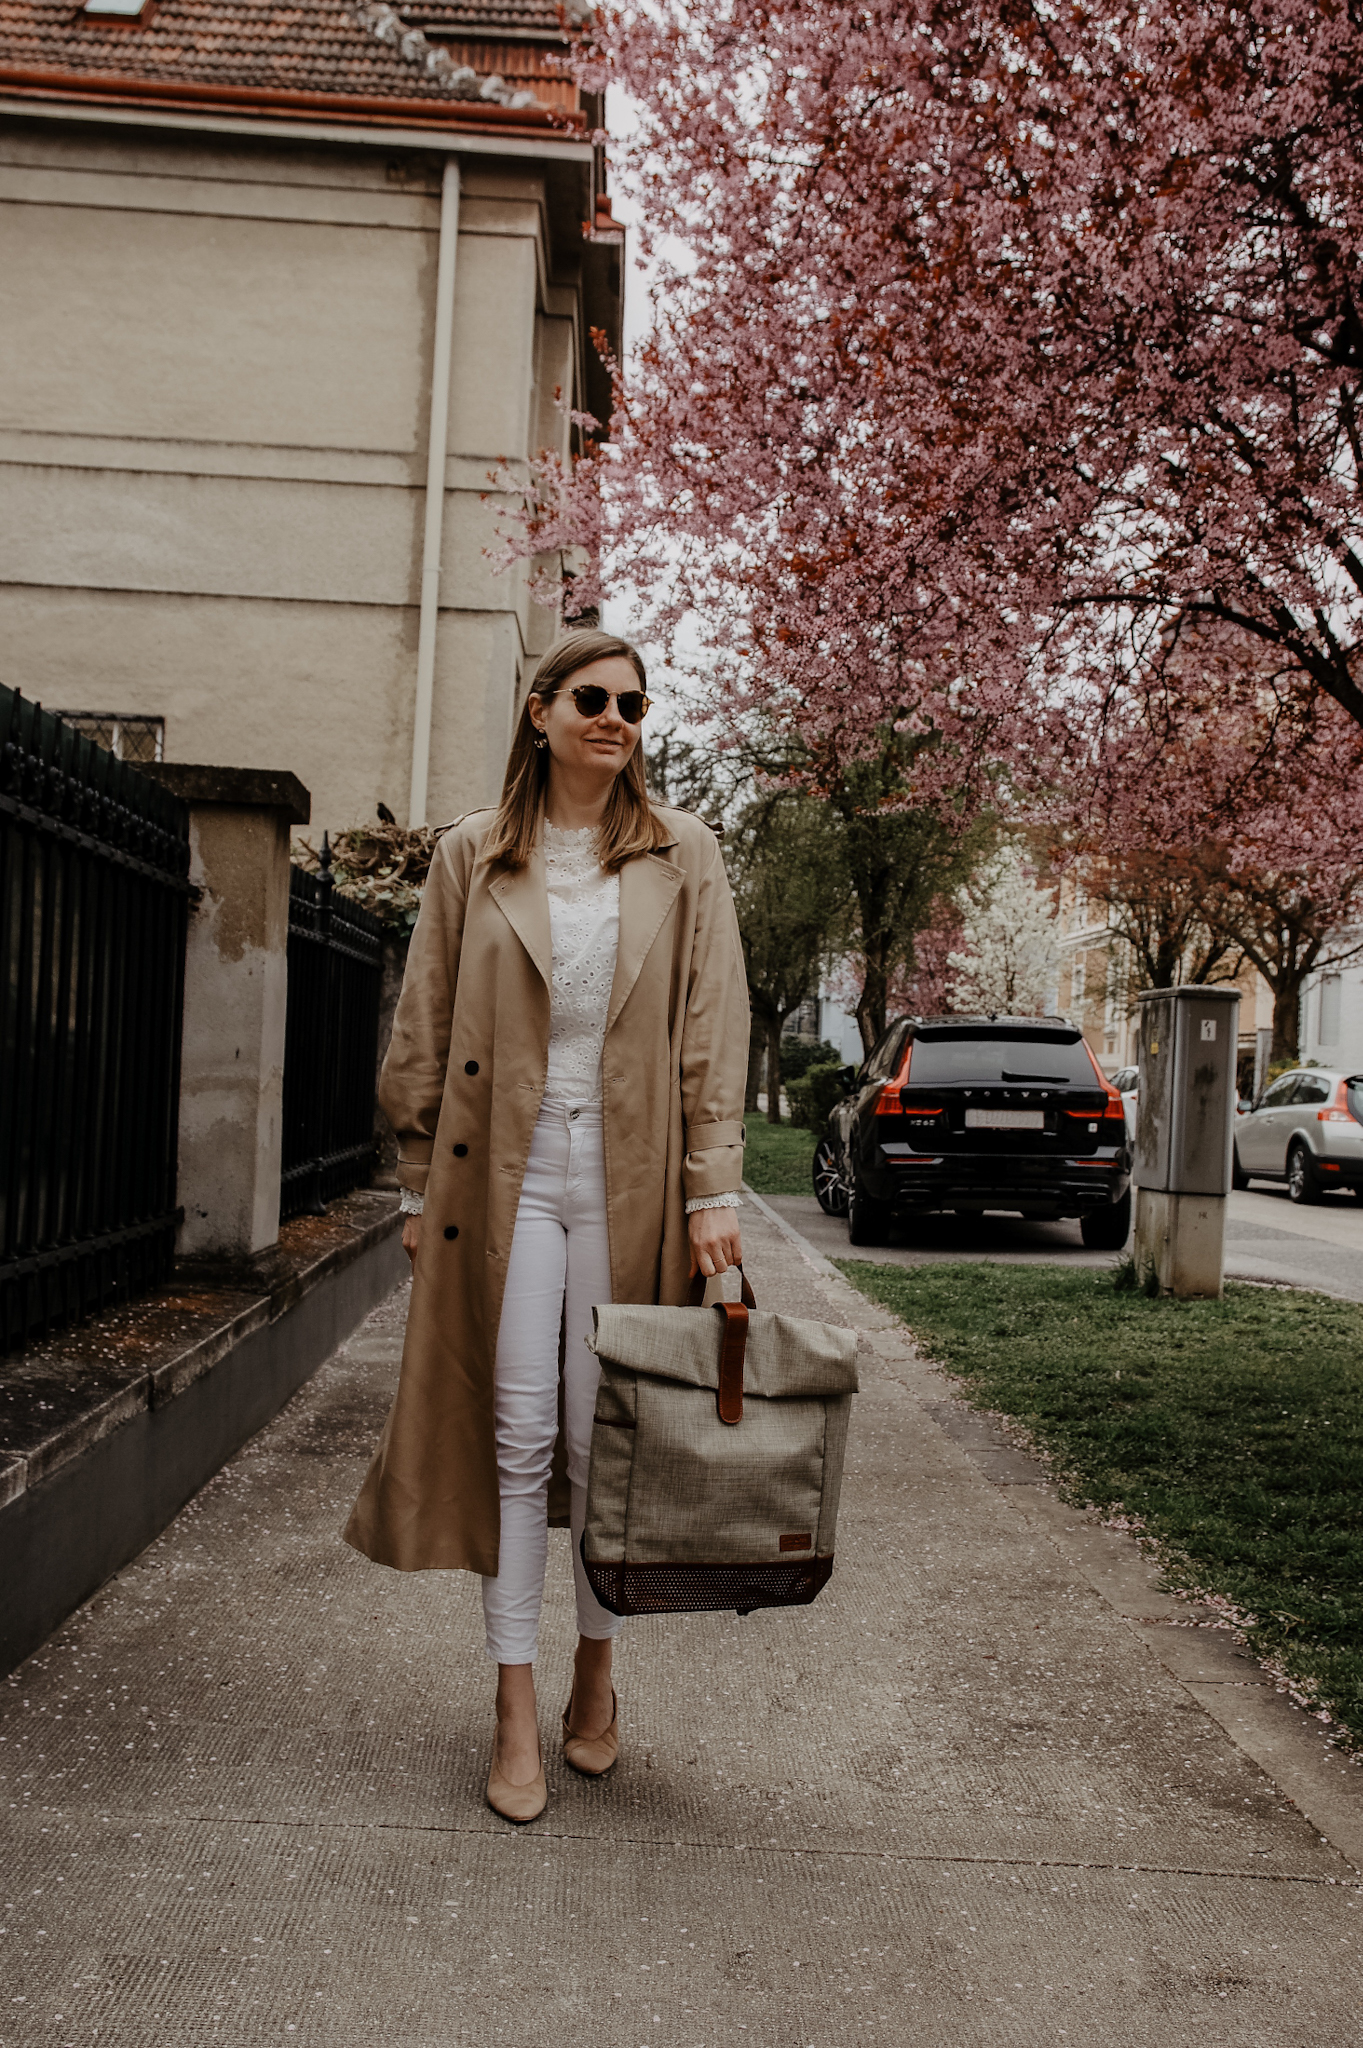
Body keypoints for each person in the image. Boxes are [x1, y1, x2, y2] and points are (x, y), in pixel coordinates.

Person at [343, 629, 749, 1823]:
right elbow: (422, 1018)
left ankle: (595, 1673)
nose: (616, 716)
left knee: (603, 1439)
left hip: (629, 1175)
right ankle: (513, 1703)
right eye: (592, 697)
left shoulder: (687, 855)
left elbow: (710, 1029)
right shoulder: (478, 852)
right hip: (499, 1177)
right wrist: (418, 1187)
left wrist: (712, 1186)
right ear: (540, 711)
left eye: (633, 700)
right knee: (518, 1438)